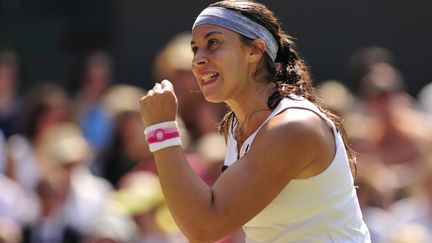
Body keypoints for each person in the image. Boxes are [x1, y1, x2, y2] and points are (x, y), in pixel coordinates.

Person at [139, 1, 371, 242]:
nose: (198, 59)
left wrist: (162, 130)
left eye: (213, 43)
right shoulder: (237, 127)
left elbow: (204, 227)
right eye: (195, 48)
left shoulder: (293, 127)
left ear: (255, 50)